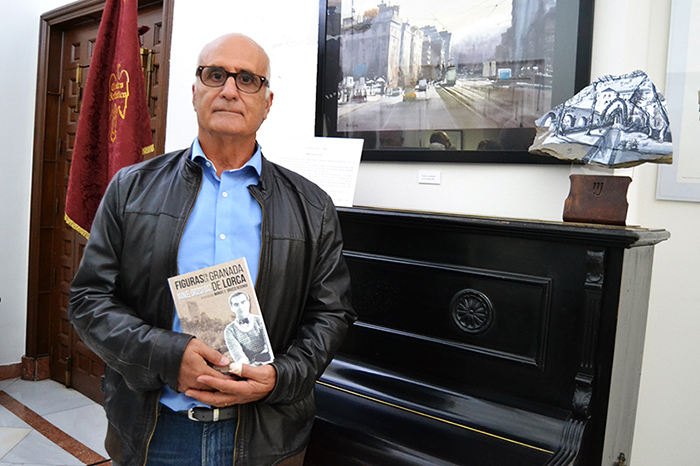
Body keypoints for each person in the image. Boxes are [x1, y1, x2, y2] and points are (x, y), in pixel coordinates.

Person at [68, 33, 355, 466]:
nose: (229, 90)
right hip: (156, 430)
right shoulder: (131, 189)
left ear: (267, 102)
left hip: (265, 438)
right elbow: (88, 300)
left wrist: (279, 377)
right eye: (216, 74)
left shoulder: (312, 206)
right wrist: (165, 354)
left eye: (248, 80)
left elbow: (332, 315)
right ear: (194, 90)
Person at [223, 291, 273, 366]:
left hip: (269, 362)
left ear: (248, 303)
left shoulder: (260, 320)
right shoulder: (229, 330)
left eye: (243, 302)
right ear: (232, 308)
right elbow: (238, 356)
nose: (240, 307)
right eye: (236, 305)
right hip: (250, 367)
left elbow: (270, 345)